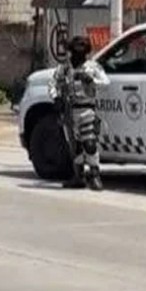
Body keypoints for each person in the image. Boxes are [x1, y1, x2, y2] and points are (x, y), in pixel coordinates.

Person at [48, 36, 109, 191]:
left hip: (87, 109)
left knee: (90, 143)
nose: (78, 54)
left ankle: (94, 175)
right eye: (75, 50)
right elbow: (53, 84)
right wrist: (56, 98)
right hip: (70, 111)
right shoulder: (64, 68)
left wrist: (90, 80)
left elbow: (106, 83)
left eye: (82, 49)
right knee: (75, 146)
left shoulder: (93, 67)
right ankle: (78, 176)